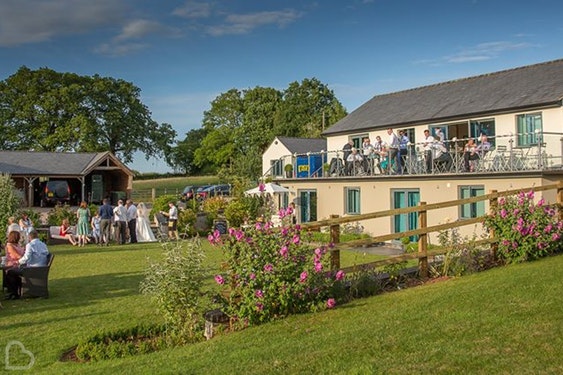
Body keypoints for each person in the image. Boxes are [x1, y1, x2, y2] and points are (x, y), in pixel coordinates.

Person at [5, 230, 50, 300]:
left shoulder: (30, 245)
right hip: (42, 268)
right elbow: (46, 254)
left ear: (29, 237)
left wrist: (18, 262)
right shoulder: (43, 244)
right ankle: (17, 291)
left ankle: (13, 293)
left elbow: (26, 258)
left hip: (32, 269)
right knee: (15, 271)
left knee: (10, 272)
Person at [3, 231, 25, 299]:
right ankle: (13, 292)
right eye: (19, 236)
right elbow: (16, 255)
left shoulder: (17, 244)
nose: (20, 238)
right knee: (10, 273)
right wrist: (24, 256)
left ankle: (13, 292)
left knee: (11, 274)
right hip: (12, 264)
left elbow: (22, 253)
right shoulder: (9, 245)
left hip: (18, 264)